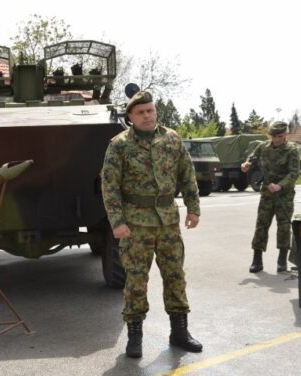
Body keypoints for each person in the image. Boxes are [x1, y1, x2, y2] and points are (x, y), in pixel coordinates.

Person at [100, 90, 202, 358]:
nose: (147, 115)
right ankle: (135, 337)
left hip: (168, 220)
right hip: (135, 224)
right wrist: (117, 222)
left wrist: (193, 208)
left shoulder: (172, 139)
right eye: (141, 112)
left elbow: (187, 175)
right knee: (135, 279)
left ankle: (179, 331)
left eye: (150, 110)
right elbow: (109, 186)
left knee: (175, 276)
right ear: (130, 117)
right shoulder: (119, 145)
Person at [241, 121, 299, 273]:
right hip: (266, 194)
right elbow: (252, 158)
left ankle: (281, 260)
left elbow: (293, 173)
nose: (276, 139)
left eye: (279, 136)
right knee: (261, 225)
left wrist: (280, 185)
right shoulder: (263, 147)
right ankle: (257, 260)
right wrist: (246, 164)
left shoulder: (291, 150)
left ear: (285, 134)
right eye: (273, 136)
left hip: (284, 195)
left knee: (284, 226)